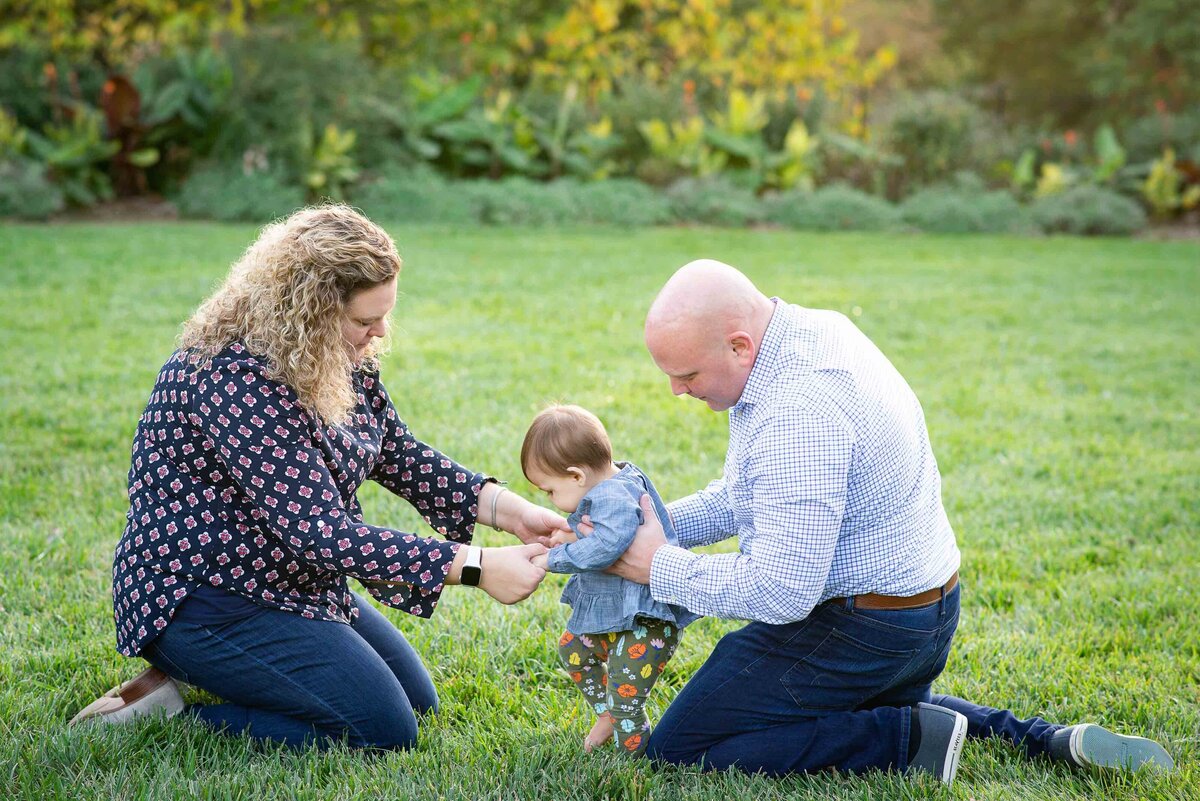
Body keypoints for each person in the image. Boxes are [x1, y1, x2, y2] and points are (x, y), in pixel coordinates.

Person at [598, 259, 1174, 783]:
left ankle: (902, 739)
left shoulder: (798, 411)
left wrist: (660, 566)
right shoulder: (812, 331)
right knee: (851, 699)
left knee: (681, 745)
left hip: (868, 630)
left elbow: (780, 591)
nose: (676, 389)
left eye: (688, 375)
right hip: (926, 613)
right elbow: (748, 495)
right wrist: (652, 527)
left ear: (740, 345)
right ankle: (1042, 739)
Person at [71, 205, 568, 749]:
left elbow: (396, 453)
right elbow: (320, 533)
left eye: (384, 315)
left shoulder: (332, 353)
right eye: (364, 320)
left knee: (417, 704)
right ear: (308, 309)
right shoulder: (230, 378)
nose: (380, 332)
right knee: (381, 731)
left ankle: (241, 680)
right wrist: (474, 567)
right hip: (205, 600)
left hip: (292, 583)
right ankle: (166, 716)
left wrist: (509, 510)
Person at [520, 404, 698, 756]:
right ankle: (606, 715)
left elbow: (608, 545)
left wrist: (553, 558)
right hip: (618, 616)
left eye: (549, 491)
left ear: (576, 476)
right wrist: (569, 536)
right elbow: (605, 530)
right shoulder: (610, 486)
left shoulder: (612, 496)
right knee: (573, 649)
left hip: (645, 624)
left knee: (625, 696)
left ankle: (633, 760)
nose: (553, 502)